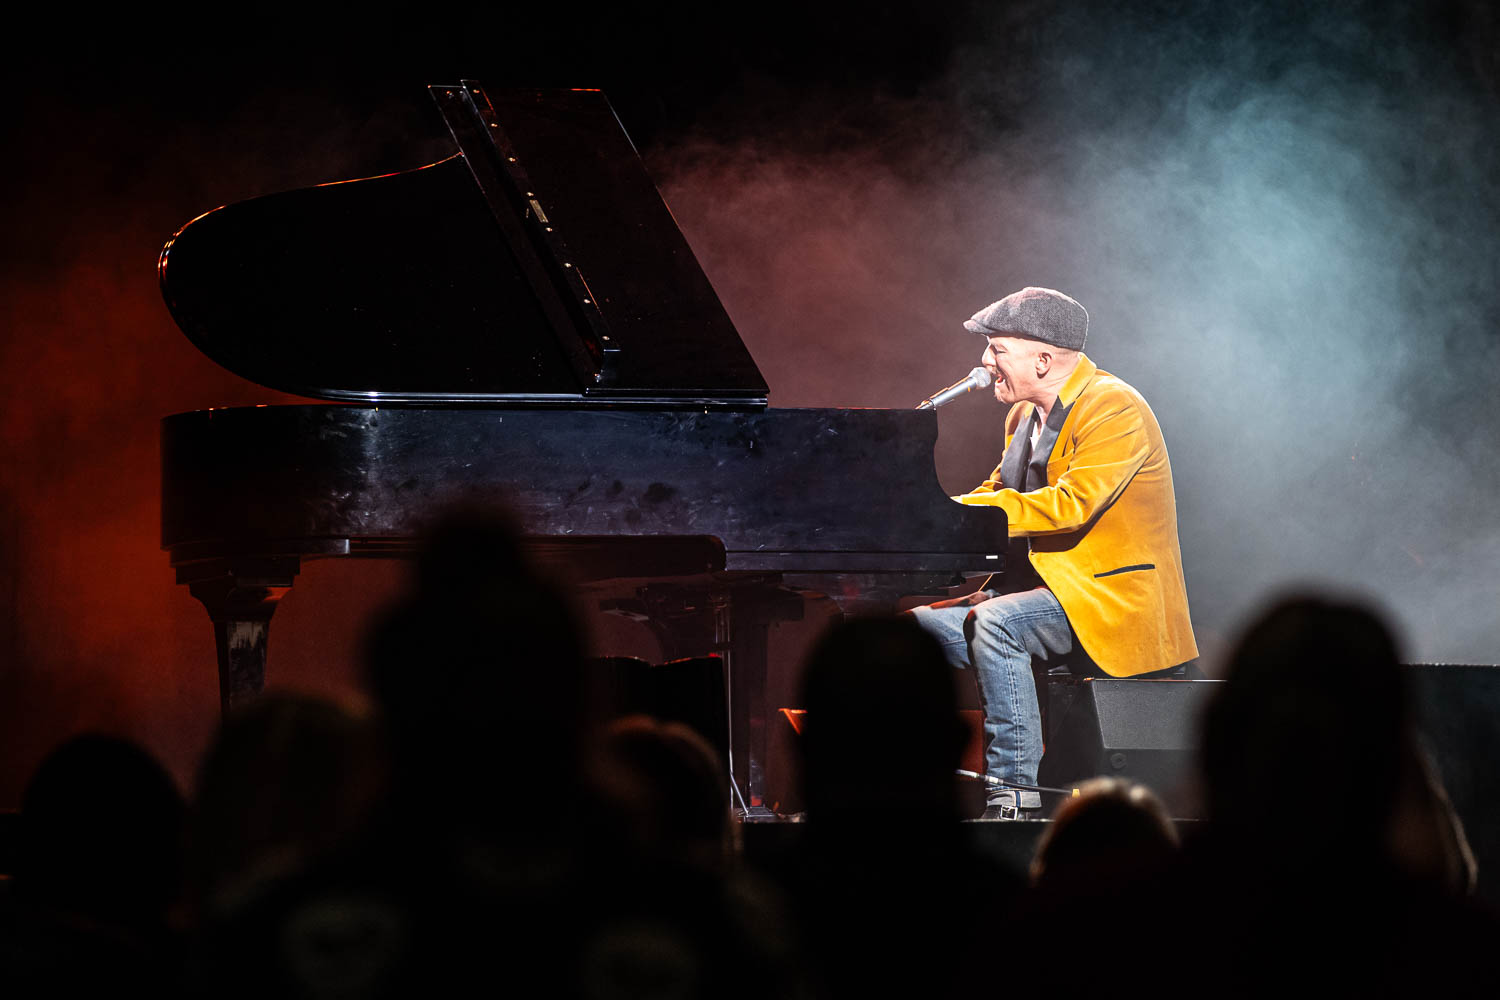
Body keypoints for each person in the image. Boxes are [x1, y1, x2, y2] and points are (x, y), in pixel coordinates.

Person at [910, 286, 1197, 818]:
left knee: (997, 624)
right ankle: (904, 787)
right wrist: (928, 516)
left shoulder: (1115, 406)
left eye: (997, 349)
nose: (985, 361)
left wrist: (958, 513)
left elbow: (1071, 504)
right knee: (911, 631)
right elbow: (996, 495)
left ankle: (1012, 799)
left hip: (1111, 600)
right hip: (1049, 596)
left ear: (1042, 360)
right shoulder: (1021, 419)